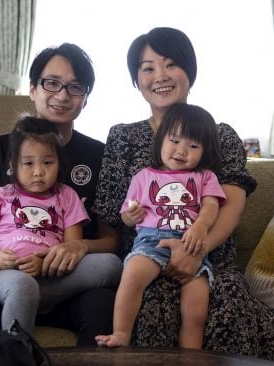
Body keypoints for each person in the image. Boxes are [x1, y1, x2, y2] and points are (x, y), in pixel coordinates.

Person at [92, 27, 274, 364]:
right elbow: (114, 212)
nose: (159, 76)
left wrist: (195, 251)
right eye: (147, 68)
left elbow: (230, 205)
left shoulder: (221, 135)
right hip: (147, 257)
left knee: (226, 298)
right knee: (151, 302)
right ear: (136, 79)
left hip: (210, 260)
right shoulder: (123, 136)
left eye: (171, 64)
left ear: (189, 71)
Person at [0, 43, 121, 345]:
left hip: (67, 283)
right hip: (7, 280)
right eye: (51, 83)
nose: (62, 95)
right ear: (33, 89)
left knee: (103, 302)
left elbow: (112, 240)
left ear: (85, 99)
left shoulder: (100, 155)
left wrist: (81, 247)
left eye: (75, 87)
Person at [0, 117, 121, 333]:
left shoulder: (67, 196)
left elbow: (70, 249)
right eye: (29, 163)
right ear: (13, 165)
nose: (38, 172)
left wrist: (43, 265)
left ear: (59, 164)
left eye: (48, 162)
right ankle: (18, 350)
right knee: (23, 286)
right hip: (8, 274)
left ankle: (33, 297)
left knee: (111, 264)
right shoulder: (0, 196)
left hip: (51, 277)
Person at [96, 103, 226, 349]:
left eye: (194, 146)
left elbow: (211, 206)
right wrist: (130, 216)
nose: (181, 151)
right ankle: (121, 333)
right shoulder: (143, 176)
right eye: (174, 140)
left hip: (191, 247)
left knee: (197, 308)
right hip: (150, 242)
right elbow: (125, 213)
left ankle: (191, 355)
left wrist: (200, 227)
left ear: (205, 151)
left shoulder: (205, 176)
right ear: (161, 139)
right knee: (133, 275)